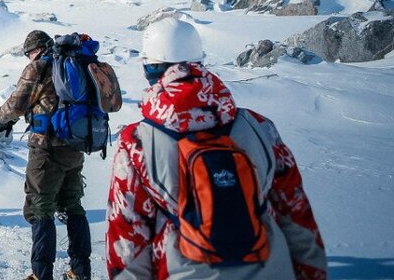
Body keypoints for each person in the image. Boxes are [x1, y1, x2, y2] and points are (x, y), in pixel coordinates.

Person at [106, 18, 327, 280]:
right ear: (199, 63)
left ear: (151, 68)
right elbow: (296, 216)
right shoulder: (260, 127)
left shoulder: (137, 142)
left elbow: (127, 242)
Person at [0, 30, 90, 280]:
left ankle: (41, 274)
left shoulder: (40, 67)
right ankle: (80, 271)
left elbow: (16, 104)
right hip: (75, 146)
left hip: (46, 148)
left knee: (40, 208)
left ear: (37, 49)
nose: (29, 58)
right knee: (73, 206)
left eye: (29, 53)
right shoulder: (76, 64)